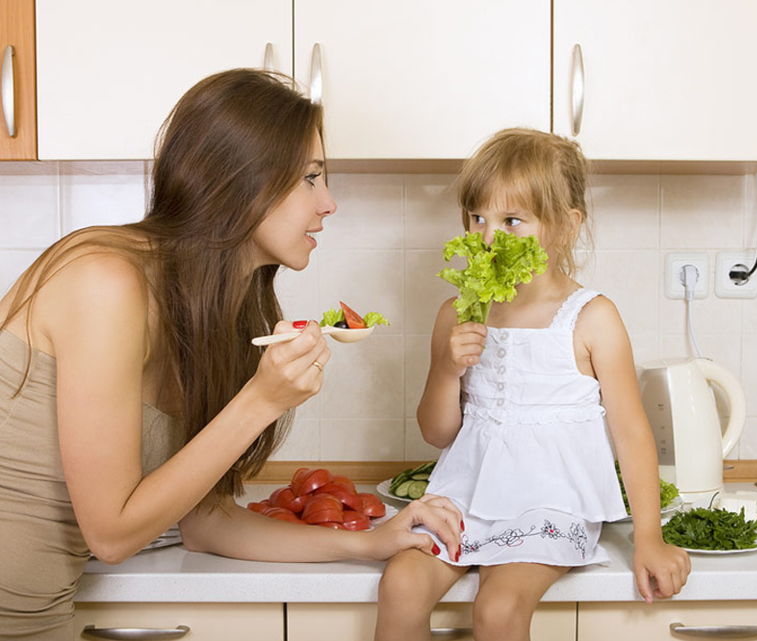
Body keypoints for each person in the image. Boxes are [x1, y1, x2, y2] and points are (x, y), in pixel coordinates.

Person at [0, 69, 462, 640]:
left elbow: (204, 521)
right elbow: (112, 535)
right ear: (240, 181)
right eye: (311, 179)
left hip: (40, 615)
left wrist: (369, 542)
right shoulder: (105, 279)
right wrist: (259, 402)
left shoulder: (217, 319)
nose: (330, 203)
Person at [375, 128, 691, 641]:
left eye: (512, 220)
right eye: (477, 217)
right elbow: (436, 432)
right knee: (401, 587)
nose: (487, 236)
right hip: (467, 497)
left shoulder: (592, 318)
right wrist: (446, 369)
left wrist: (648, 538)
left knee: (498, 610)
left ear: (565, 227)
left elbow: (633, 437)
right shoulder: (457, 313)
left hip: (551, 501)